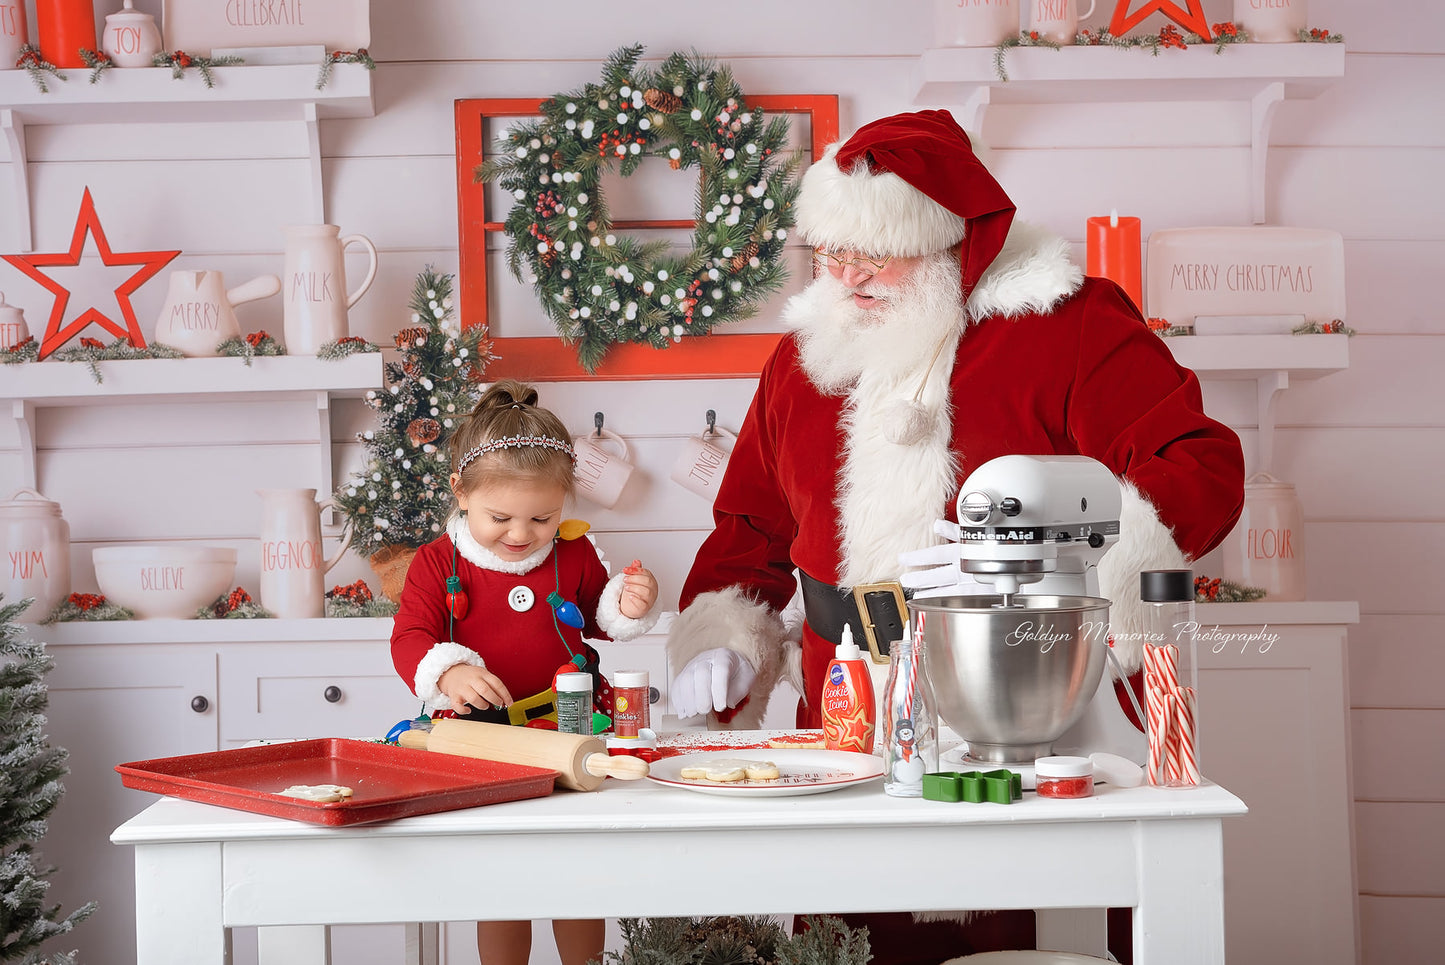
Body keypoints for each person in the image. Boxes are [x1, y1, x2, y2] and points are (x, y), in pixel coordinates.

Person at [666, 109, 1245, 961]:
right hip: (846, 711)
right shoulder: (801, 354)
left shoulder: (1067, 322)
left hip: (1037, 693)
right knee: (846, 932)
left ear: (953, 243)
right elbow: (750, 522)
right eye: (831, 251)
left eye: (876, 254)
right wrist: (722, 633)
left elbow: (1194, 464)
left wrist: (1032, 559)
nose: (848, 276)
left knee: (1036, 929)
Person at [392, 379, 659, 965]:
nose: (521, 534)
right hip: (481, 739)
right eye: (501, 517)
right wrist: (449, 671)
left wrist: (628, 603)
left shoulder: (575, 553)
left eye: (542, 517)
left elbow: (599, 619)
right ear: (460, 491)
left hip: (571, 728)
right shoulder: (439, 563)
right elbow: (410, 638)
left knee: (578, 872)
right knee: (502, 878)